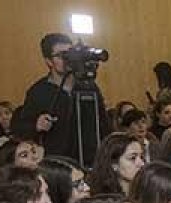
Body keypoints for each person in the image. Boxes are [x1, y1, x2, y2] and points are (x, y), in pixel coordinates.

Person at [13, 33, 111, 163]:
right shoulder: (39, 91)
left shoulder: (88, 86)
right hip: (57, 163)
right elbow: (20, 129)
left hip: (91, 159)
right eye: (61, 56)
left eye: (70, 54)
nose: (68, 60)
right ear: (48, 61)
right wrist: (36, 125)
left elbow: (103, 123)